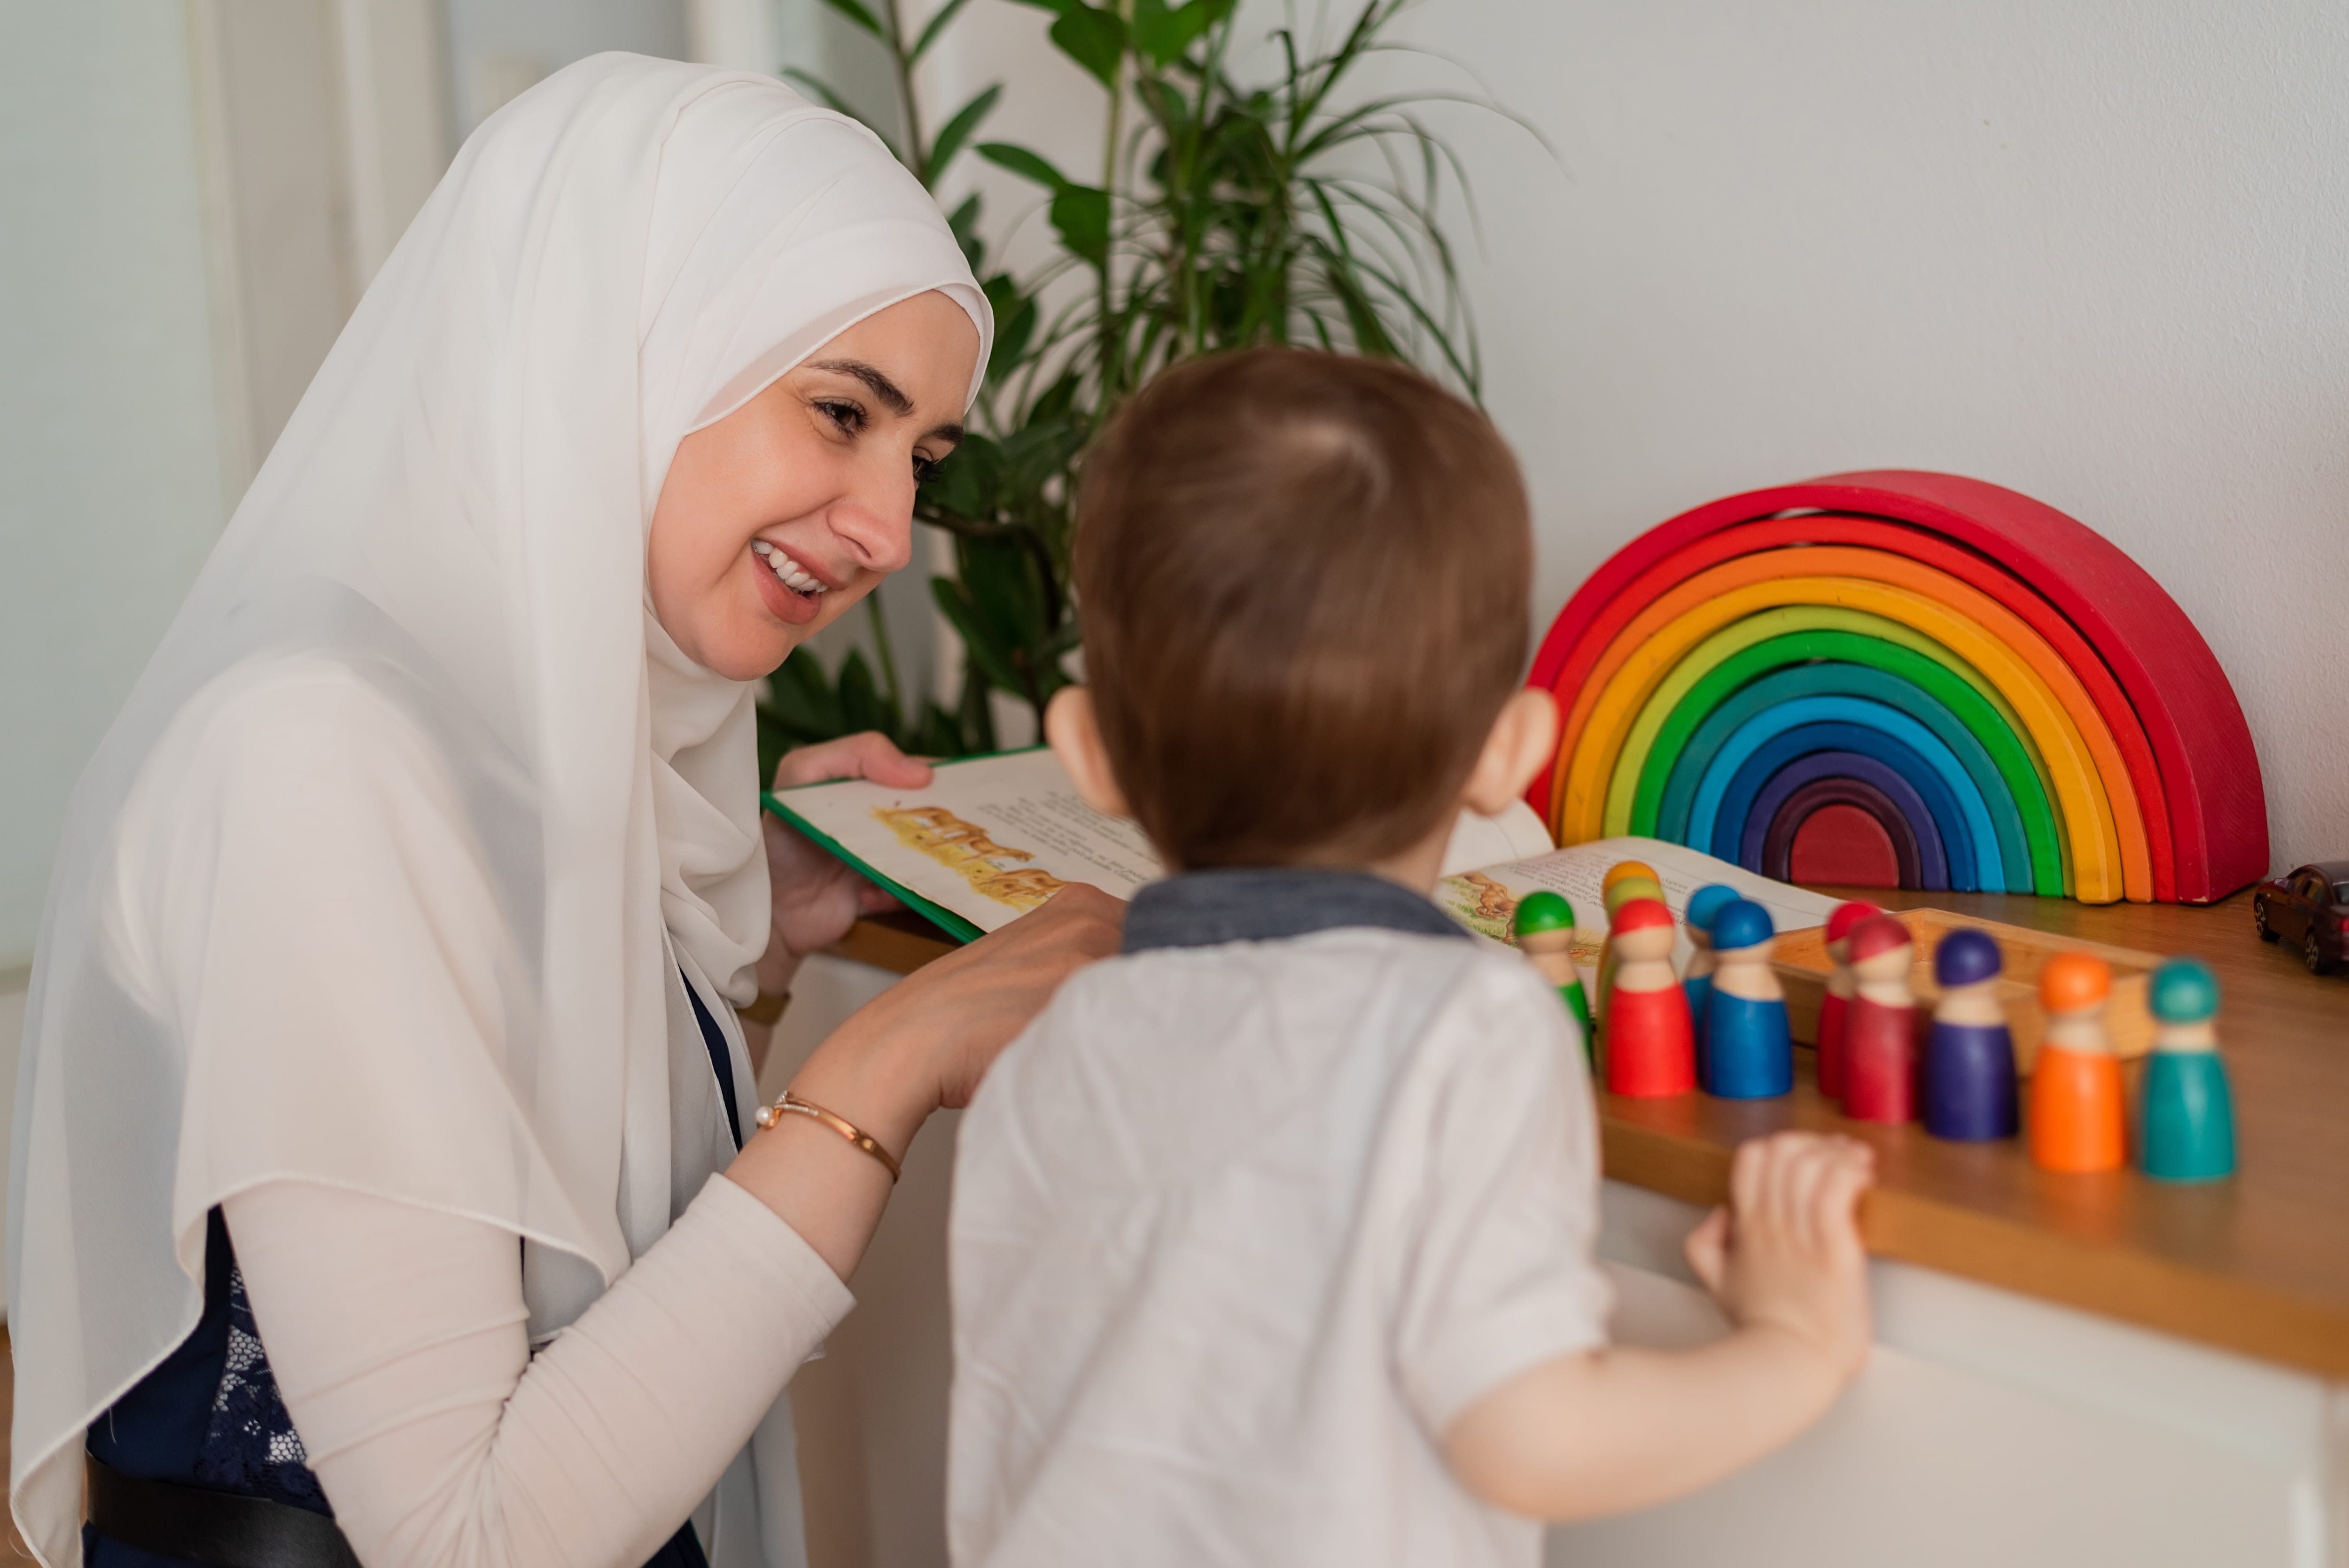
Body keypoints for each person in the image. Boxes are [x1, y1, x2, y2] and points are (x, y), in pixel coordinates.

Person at [9, 55, 1118, 1568]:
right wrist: (895, 1057)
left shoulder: (515, 749)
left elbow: (604, 1310)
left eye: (917, 458)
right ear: (625, 348)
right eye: (841, 412)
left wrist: (765, 953)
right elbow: (477, 1538)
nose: (887, 533)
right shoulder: (313, 755)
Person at [946, 349, 1876, 1568]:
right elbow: (1530, 1436)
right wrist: (1795, 1348)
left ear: (1089, 750)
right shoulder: (1469, 1028)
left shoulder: (1049, 1042)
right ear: (1510, 752)